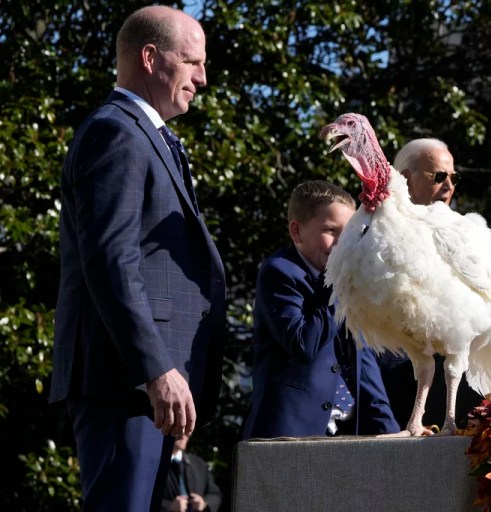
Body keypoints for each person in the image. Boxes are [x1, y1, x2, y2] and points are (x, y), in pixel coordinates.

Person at [48, 6, 226, 511]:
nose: (202, 78)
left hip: (146, 385)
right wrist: (156, 369)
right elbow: (111, 260)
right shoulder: (117, 132)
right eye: (192, 62)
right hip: (127, 383)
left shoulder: (148, 136)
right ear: (151, 57)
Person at [241, 181, 400, 438]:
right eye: (330, 230)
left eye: (348, 233)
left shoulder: (348, 283)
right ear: (297, 232)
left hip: (344, 437)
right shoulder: (280, 272)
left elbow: (364, 365)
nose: (342, 243)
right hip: (289, 434)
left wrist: (389, 431)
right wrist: (336, 285)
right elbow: (304, 342)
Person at [378, 138, 483, 430]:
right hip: (386, 394)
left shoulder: (463, 234)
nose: (448, 186)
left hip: (455, 395)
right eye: (438, 176)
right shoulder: (376, 231)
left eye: (453, 177)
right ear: (406, 178)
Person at [162, 433, 222, 512]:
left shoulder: (198, 463)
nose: (184, 436)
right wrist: (169, 506)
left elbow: (215, 494)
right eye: (180, 431)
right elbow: (143, 495)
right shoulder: (154, 465)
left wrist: (204, 503)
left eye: (187, 432)